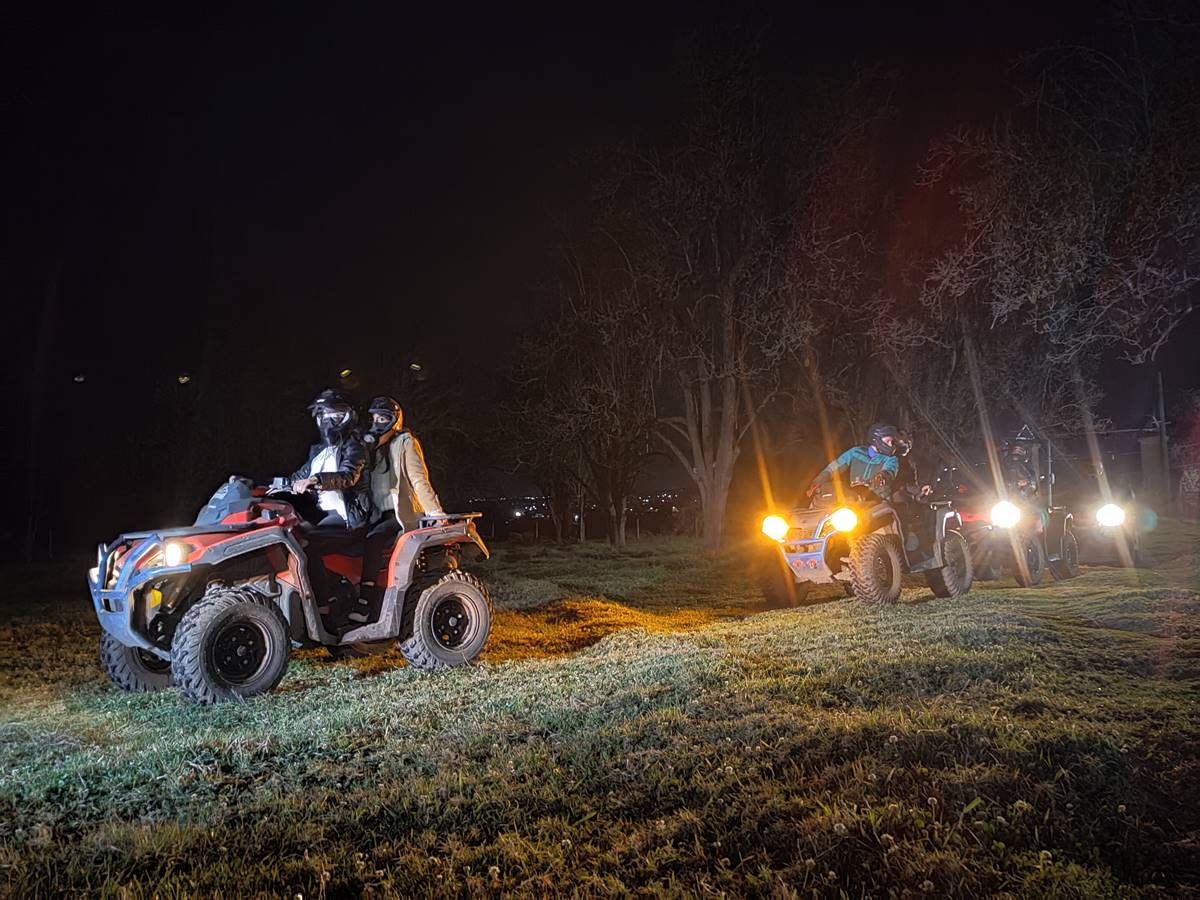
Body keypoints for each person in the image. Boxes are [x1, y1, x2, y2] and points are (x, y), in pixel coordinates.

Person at [350, 396, 445, 621]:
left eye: (383, 418)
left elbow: (418, 478)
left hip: (401, 512)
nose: (377, 423)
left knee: (374, 540)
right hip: (377, 513)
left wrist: (436, 513)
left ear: (394, 421)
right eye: (374, 418)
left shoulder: (406, 442)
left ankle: (365, 603)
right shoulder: (371, 449)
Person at [289, 389, 371, 529]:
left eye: (337, 415)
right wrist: (269, 484)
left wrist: (316, 479)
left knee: (311, 539)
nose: (330, 421)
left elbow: (348, 475)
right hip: (317, 511)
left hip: (343, 514)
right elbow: (300, 475)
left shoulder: (355, 445)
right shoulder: (320, 450)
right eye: (326, 415)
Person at [808, 423, 901, 503]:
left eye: (891, 442)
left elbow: (890, 470)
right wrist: (820, 479)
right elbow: (835, 466)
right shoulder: (855, 452)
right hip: (853, 498)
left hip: (878, 499)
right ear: (876, 439)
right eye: (887, 441)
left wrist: (881, 476)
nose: (890, 445)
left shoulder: (890, 459)